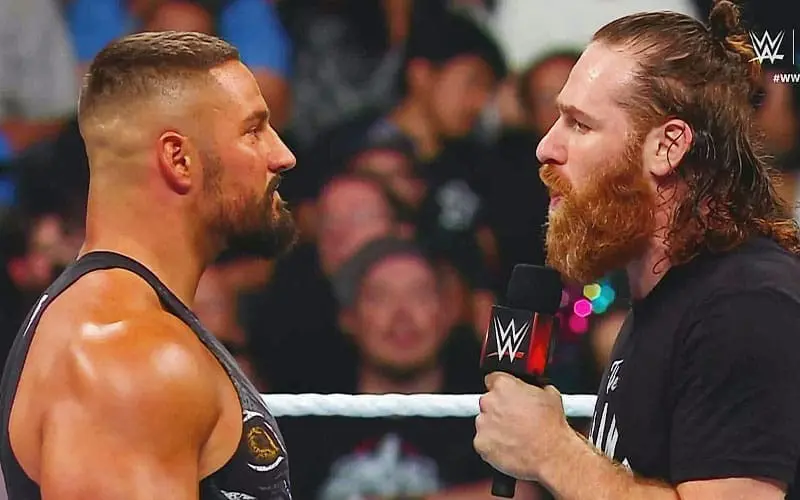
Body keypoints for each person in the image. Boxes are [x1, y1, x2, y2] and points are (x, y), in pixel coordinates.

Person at [472, 2, 800, 499]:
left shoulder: (744, 304)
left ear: (667, 147)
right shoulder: (664, 300)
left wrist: (553, 452)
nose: (545, 147)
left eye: (580, 125)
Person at [0, 31, 298, 499]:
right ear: (178, 158)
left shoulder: (120, 327)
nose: (283, 156)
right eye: (253, 130)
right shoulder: (130, 357)